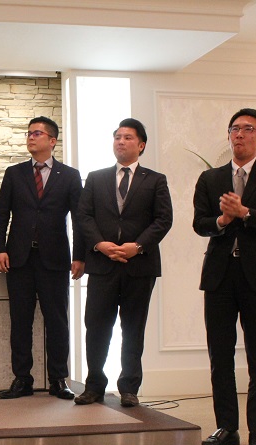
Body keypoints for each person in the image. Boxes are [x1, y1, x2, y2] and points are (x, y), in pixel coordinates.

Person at [194, 108, 256, 445]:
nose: (239, 134)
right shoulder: (211, 178)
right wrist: (222, 219)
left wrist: (245, 213)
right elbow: (199, 223)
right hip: (220, 276)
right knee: (220, 355)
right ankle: (227, 427)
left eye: (248, 129)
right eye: (234, 128)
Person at [74, 118, 173, 407]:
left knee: (133, 328)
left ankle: (129, 387)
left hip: (139, 267)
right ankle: (94, 385)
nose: (121, 141)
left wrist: (137, 247)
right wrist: (100, 244)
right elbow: (83, 216)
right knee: (97, 327)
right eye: (117, 137)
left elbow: (163, 220)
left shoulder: (155, 180)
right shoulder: (96, 178)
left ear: (141, 145)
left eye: (128, 137)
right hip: (102, 264)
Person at [0, 116, 85, 401]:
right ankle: (22, 379)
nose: (31, 137)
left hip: (55, 259)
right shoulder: (14, 173)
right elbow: (1, 214)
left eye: (37, 133)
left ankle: (58, 379)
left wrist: (80, 256)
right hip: (19, 259)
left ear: (52, 140)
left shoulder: (69, 176)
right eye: (29, 133)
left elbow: (80, 219)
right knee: (20, 321)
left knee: (57, 321)